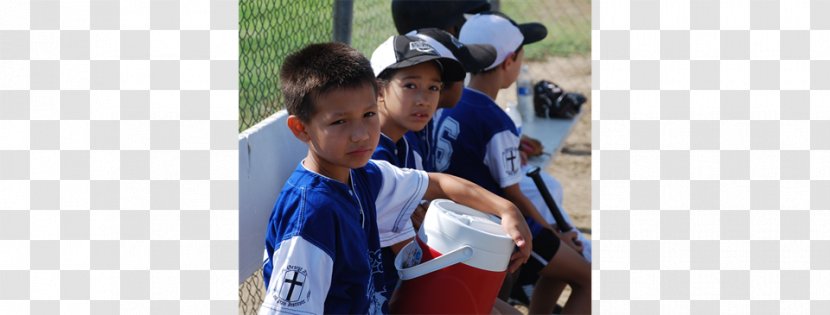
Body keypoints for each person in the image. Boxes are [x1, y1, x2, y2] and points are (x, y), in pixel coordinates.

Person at [258, 42, 532, 315]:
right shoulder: (312, 214)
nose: (361, 134)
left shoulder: (365, 175)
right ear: (300, 128)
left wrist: (507, 210)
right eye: (339, 122)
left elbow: (438, 183)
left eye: (368, 115)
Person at [433, 12, 591, 314]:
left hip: (462, 216)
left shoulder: (450, 101)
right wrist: (557, 235)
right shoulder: (496, 119)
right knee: (588, 277)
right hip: (499, 223)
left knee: (558, 267)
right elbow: (514, 196)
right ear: (509, 62)